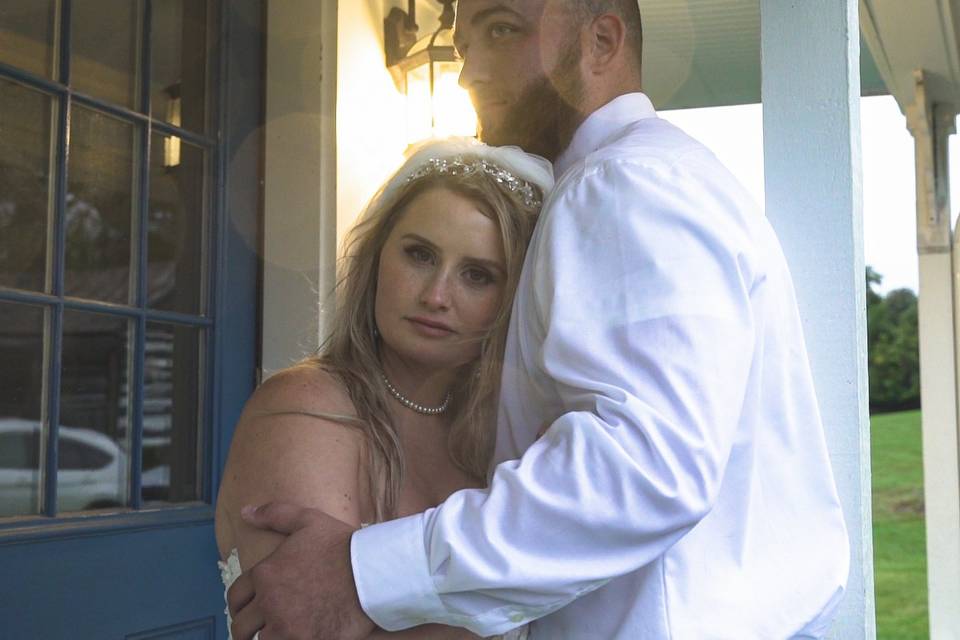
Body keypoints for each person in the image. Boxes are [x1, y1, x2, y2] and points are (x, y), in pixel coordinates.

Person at [228, 1, 851, 638]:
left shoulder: (624, 185)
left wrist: (366, 575)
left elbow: (645, 466)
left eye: (502, 31)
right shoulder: (661, 175)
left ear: (602, 40)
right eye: (465, 41)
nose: (469, 71)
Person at [215, 137, 553, 639]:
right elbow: (305, 627)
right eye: (419, 255)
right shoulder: (307, 407)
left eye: (477, 275)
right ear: (377, 258)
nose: (436, 295)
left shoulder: (501, 435)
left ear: (512, 301)